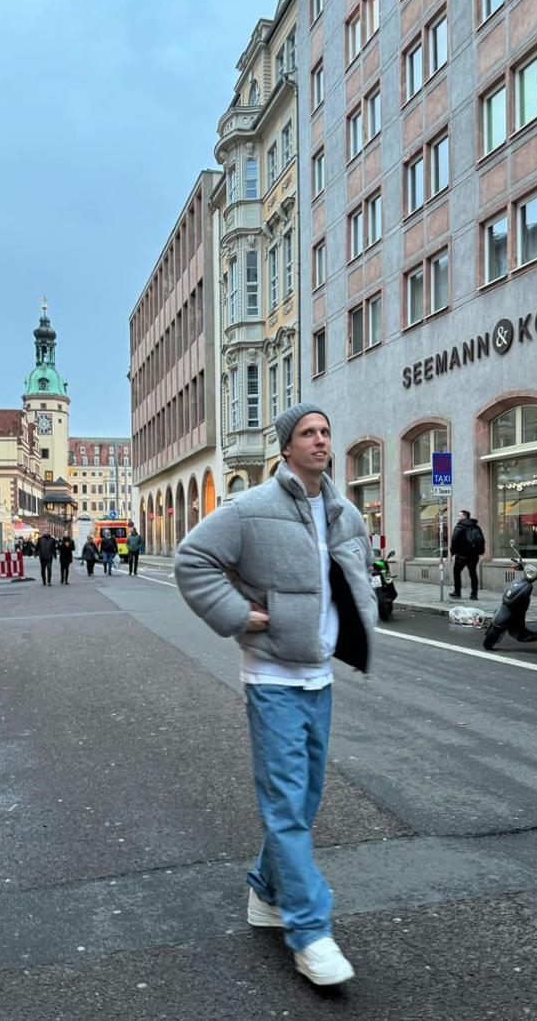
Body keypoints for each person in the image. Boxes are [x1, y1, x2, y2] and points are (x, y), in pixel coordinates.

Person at [174, 403, 377, 987]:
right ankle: (310, 932)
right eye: (307, 433)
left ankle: (265, 891)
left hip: (319, 677)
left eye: (325, 431)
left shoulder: (343, 513)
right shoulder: (251, 508)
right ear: (285, 448)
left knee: (304, 801)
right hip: (272, 680)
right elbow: (194, 559)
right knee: (287, 805)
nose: (320, 440)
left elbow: (354, 574)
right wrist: (240, 615)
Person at [449, 510, 485, 600]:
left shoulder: (459, 527)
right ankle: (474, 594)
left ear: (464, 517)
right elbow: (481, 540)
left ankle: (457, 592)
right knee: (473, 574)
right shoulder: (476, 527)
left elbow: (454, 540)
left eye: (459, 515)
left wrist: (453, 551)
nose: (458, 517)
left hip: (462, 556)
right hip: (474, 556)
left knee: (456, 573)